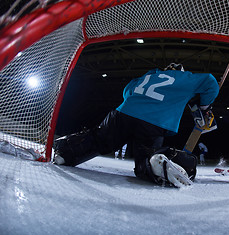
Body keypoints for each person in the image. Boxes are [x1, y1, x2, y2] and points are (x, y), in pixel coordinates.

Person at [53, 63, 219, 187]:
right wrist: (205, 107)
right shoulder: (186, 78)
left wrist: (134, 105)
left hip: (124, 113)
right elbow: (210, 82)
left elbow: (127, 90)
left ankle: (65, 153)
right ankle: (156, 162)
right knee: (145, 160)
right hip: (154, 121)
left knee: (99, 139)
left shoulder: (150, 75)